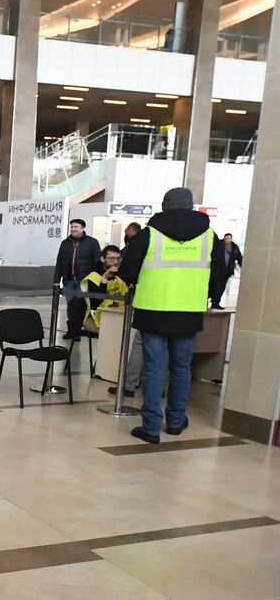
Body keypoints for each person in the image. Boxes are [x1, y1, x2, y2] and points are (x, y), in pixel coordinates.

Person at [119, 187, 227, 443]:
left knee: (154, 369)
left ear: (165, 205)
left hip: (152, 310)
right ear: (190, 205)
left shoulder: (150, 234)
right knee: (181, 368)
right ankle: (176, 422)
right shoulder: (209, 235)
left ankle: (151, 427)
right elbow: (221, 272)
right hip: (188, 312)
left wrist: (139, 282)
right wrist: (208, 294)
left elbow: (127, 269)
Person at [54, 218, 102, 341]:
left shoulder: (92, 242)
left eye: (76, 227)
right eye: (72, 227)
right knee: (71, 307)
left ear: (82, 228)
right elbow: (59, 262)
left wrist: (94, 280)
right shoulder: (65, 243)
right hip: (69, 281)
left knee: (82, 307)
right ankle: (72, 331)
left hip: (83, 281)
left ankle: (78, 331)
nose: (74, 229)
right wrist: (56, 281)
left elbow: (97, 263)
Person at [82, 244, 130, 330]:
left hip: (119, 314)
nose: (115, 262)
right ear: (103, 259)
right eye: (111, 258)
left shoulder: (121, 275)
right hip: (97, 315)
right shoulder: (94, 276)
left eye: (118, 259)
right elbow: (95, 303)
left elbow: (126, 295)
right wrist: (105, 277)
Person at [211, 232, 243, 309]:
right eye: (225, 238)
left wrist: (242, 267)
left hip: (227, 271)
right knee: (215, 287)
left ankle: (216, 302)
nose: (227, 240)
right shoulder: (219, 245)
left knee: (222, 287)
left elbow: (239, 257)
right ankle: (213, 302)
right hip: (217, 270)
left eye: (228, 238)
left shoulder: (234, 247)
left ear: (231, 239)